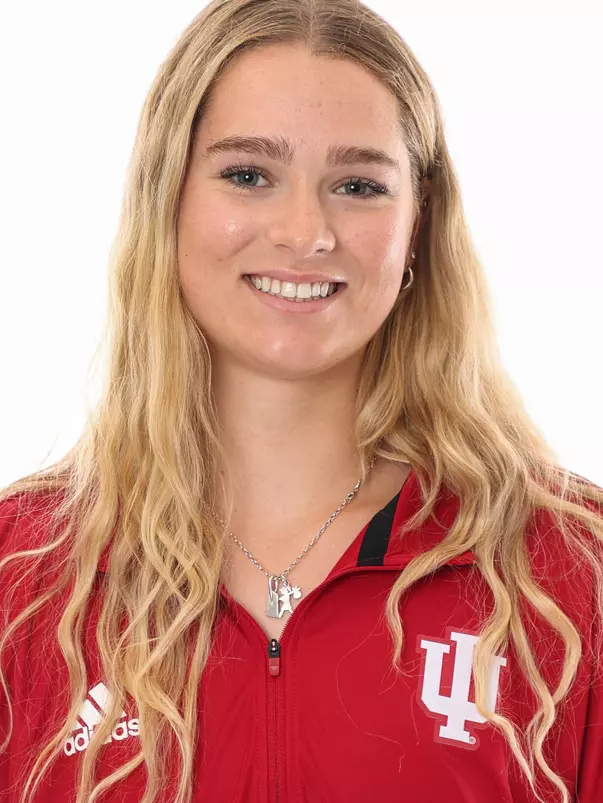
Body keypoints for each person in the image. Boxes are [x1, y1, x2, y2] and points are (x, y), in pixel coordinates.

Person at [1, 0, 602, 801]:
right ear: (166, 195)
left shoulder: (568, 572)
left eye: (357, 184)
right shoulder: (21, 575)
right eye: (248, 175)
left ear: (418, 223)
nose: (305, 231)